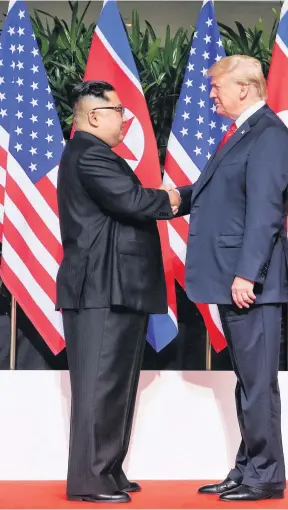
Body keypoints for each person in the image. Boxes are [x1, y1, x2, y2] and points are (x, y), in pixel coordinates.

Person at [169, 55, 288, 502]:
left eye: (216, 85)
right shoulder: (243, 132)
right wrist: (171, 199)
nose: (211, 93)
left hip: (249, 285)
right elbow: (214, 193)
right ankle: (247, 469)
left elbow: (265, 213)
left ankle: (265, 475)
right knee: (247, 380)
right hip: (232, 279)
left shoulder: (269, 135)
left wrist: (248, 274)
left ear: (244, 87)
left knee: (258, 382)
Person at [55, 80, 181, 503]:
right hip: (100, 287)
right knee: (99, 386)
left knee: (117, 385)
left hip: (117, 286)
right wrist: (180, 197)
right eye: (119, 111)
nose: (125, 118)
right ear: (93, 116)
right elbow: (132, 201)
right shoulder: (88, 153)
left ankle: (107, 470)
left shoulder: (94, 154)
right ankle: (90, 480)